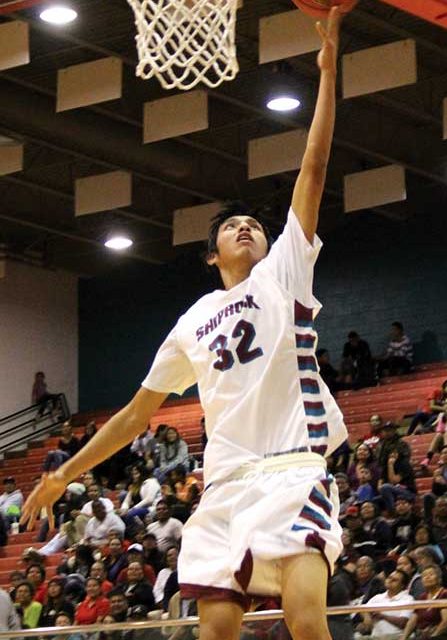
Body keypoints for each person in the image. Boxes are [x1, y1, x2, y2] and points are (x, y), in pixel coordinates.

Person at [21, 6, 355, 640]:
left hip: (293, 469)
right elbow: (132, 418)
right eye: (231, 227)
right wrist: (65, 472)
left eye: (252, 223)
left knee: (307, 620)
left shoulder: (284, 273)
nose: (246, 227)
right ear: (211, 255)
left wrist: (328, 69)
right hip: (226, 484)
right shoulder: (192, 320)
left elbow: (313, 168)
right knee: (215, 630)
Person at [401, 564, 447, 640]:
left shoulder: (445, 594)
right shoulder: (422, 597)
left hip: (442, 636)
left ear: (439, 579)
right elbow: (412, 621)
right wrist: (403, 638)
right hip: (423, 635)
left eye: (431, 574)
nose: (427, 577)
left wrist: (433, 637)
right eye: (424, 576)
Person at [357, 569, 414, 639]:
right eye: (389, 578)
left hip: (396, 637)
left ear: (402, 585)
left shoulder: (407, 599)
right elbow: (363, 609)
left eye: (394, 580)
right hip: (376, 637)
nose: (389, 581)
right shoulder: (378, 597)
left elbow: (402, 623)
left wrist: (382, 616)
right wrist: (366, 617)